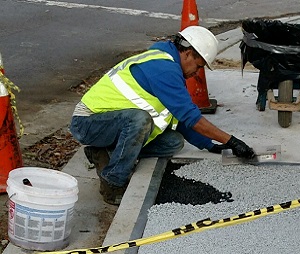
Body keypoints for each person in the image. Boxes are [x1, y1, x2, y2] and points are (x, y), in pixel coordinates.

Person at [70, 26, 255, 205]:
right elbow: (191, 117)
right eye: (198, 66)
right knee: (139, 120)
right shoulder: (164, 69)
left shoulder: (168, 63)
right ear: (188, 53)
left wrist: (210, 145)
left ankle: (105, 152)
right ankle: (112, 182)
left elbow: (181, 119)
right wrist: (231, 141)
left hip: (111, 125)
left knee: (174, 142)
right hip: (88, 122)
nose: (197, 73)